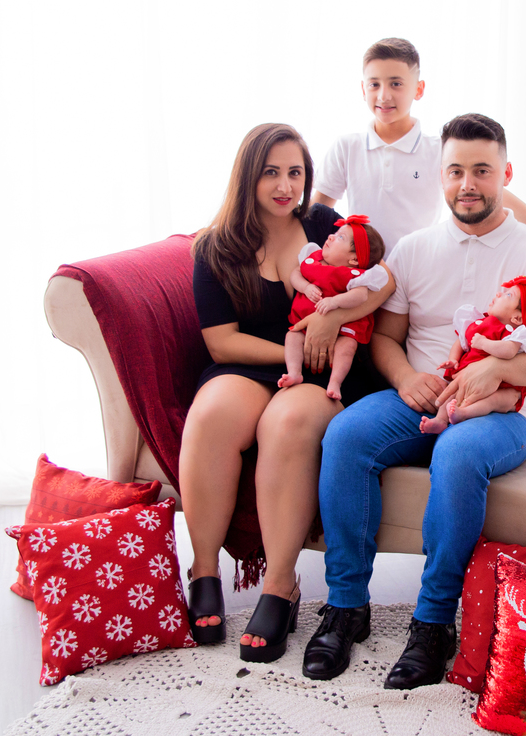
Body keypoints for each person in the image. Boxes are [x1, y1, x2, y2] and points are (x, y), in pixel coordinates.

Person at [302, 113, 526, 688]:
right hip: (421, 393)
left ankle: (433, 622)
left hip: (502, 410)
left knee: (458, 453)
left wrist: (492, 372)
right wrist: (404, 375)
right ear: (440, 174)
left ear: (506, 173)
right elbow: (383, 335)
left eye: (482, 170)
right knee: (346, 436)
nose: (468, 184)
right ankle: (346, 605)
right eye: (456, 170)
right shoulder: (413, 249)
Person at [181, 123, 393, 664]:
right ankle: (203, 568)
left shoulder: (324, 223)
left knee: (287, 423)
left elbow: (385, 277)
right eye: (271, 172)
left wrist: (334, 319)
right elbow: (220, 339)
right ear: (247, 176)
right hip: (254, 361)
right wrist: (293, 346)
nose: (284, 185)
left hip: (327, 371)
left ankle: (280, 585)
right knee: (211, 415)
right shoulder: (216, 246)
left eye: (295, 172)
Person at [310, 37, 526, 259]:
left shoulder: (437, 149)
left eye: (396, 83)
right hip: (358, 273)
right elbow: (317, 215)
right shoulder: (346, 147)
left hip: (416, 270)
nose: (384, 95)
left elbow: (491, 191)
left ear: (418, 89)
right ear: (363, 88)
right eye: (374, 84)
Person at [419, 276, 526, 435]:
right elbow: (462, 342)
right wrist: (453, 359)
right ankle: (440, 420)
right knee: (451, 392)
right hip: (468, 378)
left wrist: (484, 344)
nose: (498, 294)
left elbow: (508, 351)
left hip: (503, 388)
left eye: (508, 295)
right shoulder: (480, 322)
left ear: (517, 318)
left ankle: (463, 413)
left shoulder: (514, 334)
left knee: (495, 400)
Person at [280, 215, 389, 401]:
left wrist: (335, 302)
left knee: (347, 347)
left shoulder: (354, 275)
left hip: (344, 329)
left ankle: (335, 382)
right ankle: (294, 372)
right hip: (304, 322)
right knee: (292, 336)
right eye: (335, 233)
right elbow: (295, 274)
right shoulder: (313, 259)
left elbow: (361, 295)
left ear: (354, 259)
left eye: (340, 238)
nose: (330, 236)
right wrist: (305, 287)